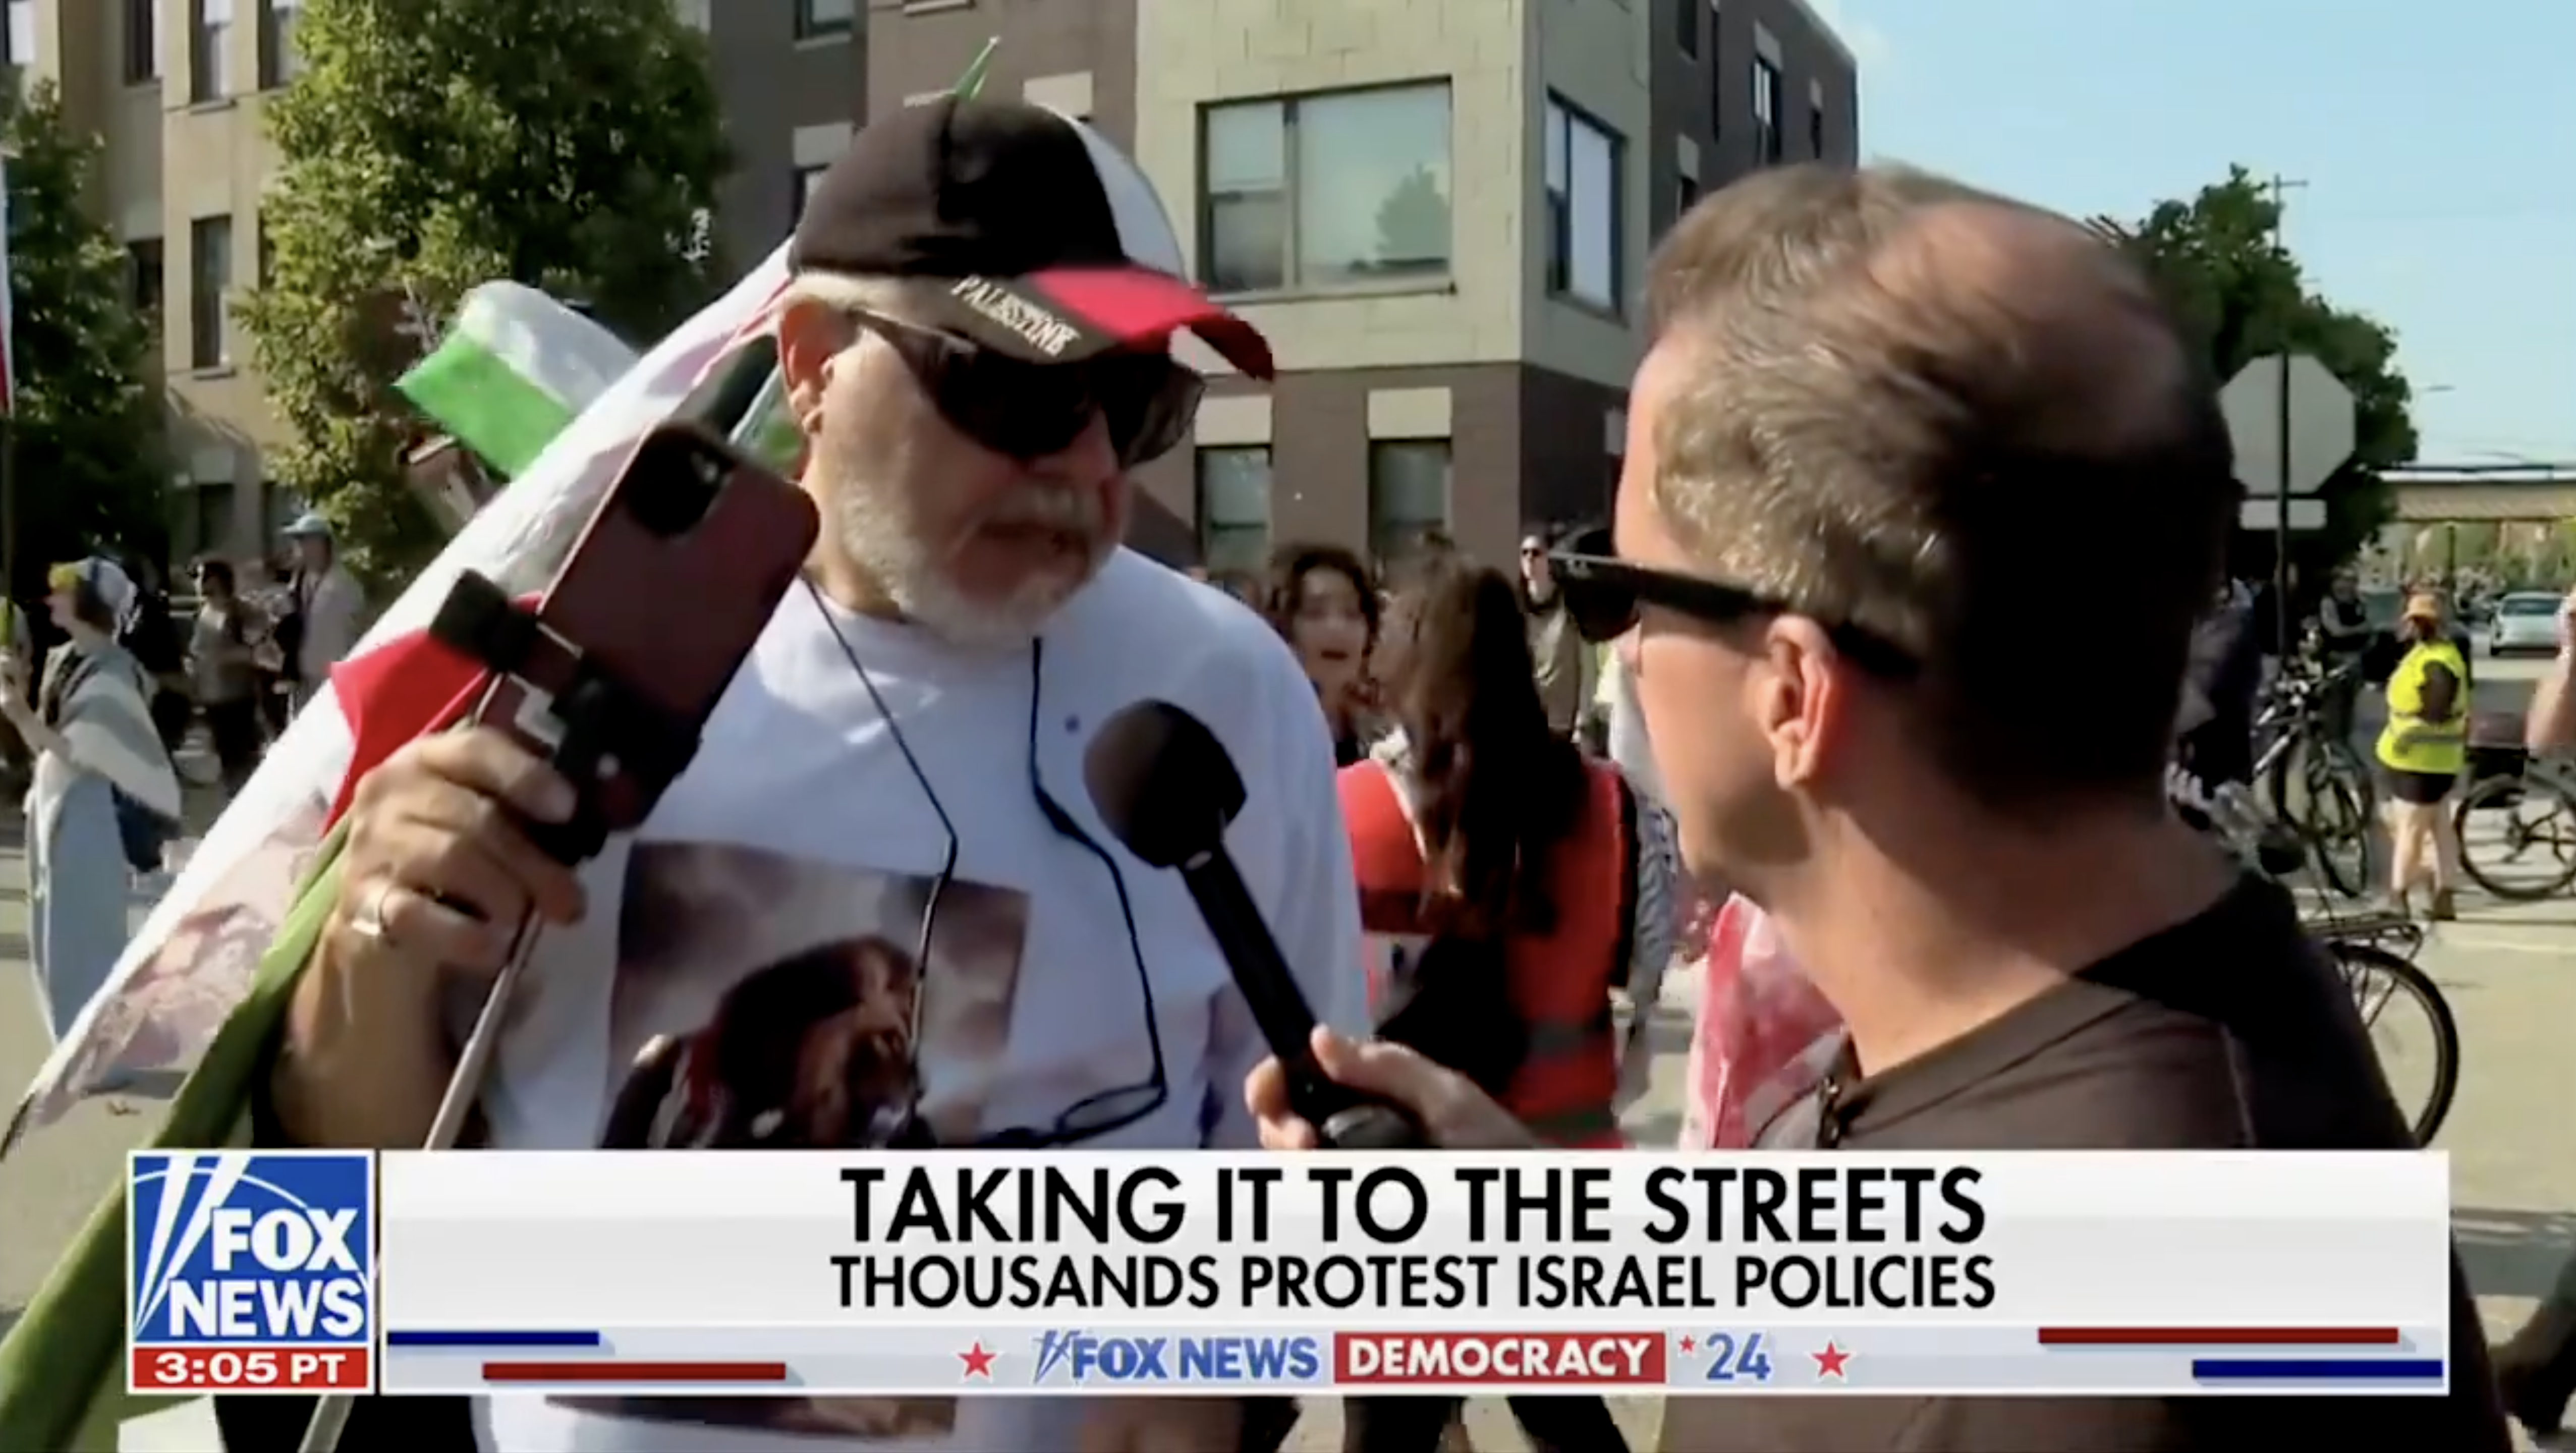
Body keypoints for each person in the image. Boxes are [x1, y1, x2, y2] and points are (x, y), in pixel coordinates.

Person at [1247, 163, 2508, 1450]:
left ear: (1793, 691)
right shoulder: (2152, 1040)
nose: (1618, 649)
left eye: (1616, 589)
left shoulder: (2063, 1379)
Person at [251, 96, 1359, 1453]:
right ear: (814, 359)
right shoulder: (563, 664)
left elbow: (1311, 1167)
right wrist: (370, 947)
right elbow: (340, 1216)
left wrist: (1219, 1373)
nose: (1081, 467)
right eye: (1009, 388)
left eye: (1131, 405)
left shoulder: (1231, 695)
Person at [1337, 554, 1671, 1453]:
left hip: (1397, 1184)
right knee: (1565, 1411)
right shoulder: (1611, 802)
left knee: (1387, 1431)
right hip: (1560, 1159)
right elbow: (1642, 979)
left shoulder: (1348, 808)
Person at [1, 558, 182, 1041]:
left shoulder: (115, 672)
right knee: (52, 934)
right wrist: (16, 689)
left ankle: (97, 1051)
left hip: (85, 809)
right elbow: (46, 738)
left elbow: (79, 752)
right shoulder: (64, 658)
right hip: (50, 799)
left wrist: (17, 712)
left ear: (89, 602)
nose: (52, 596)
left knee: (84, 936)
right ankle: (73, 1048)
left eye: (65, 589)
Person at [2374, 591, 2469, 920]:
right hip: (2433, 762)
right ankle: (2445, 896)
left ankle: (2398, 897)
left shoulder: (2436, 663)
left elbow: (2436, 712)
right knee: (2440, 828)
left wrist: (2409, 734)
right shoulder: (2434, 654)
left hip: (2420, 762)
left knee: (2411, 830)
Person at [1261, 542, 1379, 765]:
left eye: (1352, 613)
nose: (1337, 627)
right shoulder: (1257, 732)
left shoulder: (1387, 734)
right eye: (1314, 613)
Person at [187, 558, 269, 796]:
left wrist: (225, 657)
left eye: (203, 576)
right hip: (213, 698)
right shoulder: (205, 612)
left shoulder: (240, 611)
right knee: (225, 756)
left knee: (242, 758)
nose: (198, 583)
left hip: (237, 698)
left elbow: (258, 649)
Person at [278, 512, 366, 714]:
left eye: (303, 540)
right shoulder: (301, 581)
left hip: (333, 677)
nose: (298, 547)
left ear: (320, 544)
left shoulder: (343, 584)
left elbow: (357, 628)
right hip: (303, 675)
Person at [1518, 530, 1594, 736]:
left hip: (1563, 724)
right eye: (1524, 553)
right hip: (1528, 721)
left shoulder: (1569, 606)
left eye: (1536, 553)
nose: (1529, 559)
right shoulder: (1517, 611)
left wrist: (1583, 719)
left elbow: (1586, 665)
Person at [2315, 567, 2373, 743]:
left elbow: (2370, 626)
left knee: (2349, 703)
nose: (2349, 585)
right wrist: (2359, 630)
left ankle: (2343, 739)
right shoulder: (2329, 603)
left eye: (2352, 581)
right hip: (2336, 658)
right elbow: (2336, 630)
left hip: (2356, 658)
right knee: (2335, 702)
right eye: (2345, 580)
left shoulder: (2359, 602)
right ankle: (2332, 740)